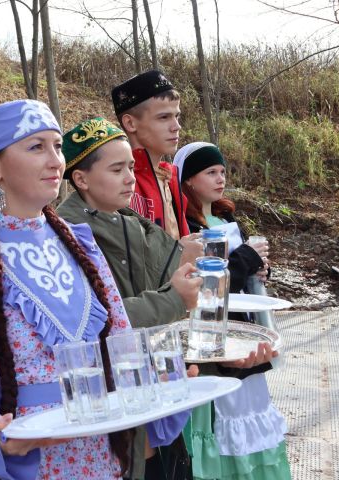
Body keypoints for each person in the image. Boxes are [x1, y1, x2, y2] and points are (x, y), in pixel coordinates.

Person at [0, 100, 135, 480]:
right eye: (36, 147)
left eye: (56, 146)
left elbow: (123, 346)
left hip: (99, 457)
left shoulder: (82, 247)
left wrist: (164, 384)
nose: (56, 161)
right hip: (25, 465)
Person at [57, 117, 203, 480]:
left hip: (151, 391)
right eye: (117, 169)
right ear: (81, 179)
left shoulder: (128, 222)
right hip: (110, 401)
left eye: (131, 168)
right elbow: (96, 320)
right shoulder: (69, 234)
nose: (129, 178)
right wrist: (174, 300)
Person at [173, 142, 291, 480]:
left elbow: (239, 271)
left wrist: (260, 268)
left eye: (223, 171)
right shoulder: (186, 226)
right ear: (189, 180)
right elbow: (207, 280)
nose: (220, 178)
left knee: (252, 405)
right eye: (211, 172)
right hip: (213, 329)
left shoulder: (225, 216)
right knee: (226, 412)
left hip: (243, 322)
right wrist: (247, 258)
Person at [111, 70, 190, 242]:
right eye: (164, 117)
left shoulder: (169, 177)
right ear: (130, 123)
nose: (176, 126)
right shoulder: (120, 182)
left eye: (177, 116)